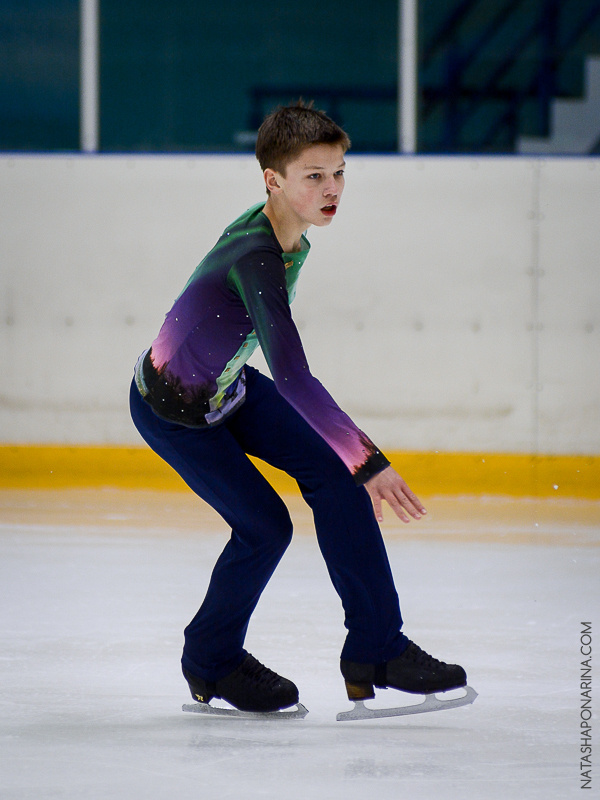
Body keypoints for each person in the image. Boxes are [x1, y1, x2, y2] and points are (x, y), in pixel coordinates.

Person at [129, 102, 467, 714]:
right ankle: (211, 658)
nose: (332, 188)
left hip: (225, 387)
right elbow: (293, 377)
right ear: (273, 180)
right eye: (314, 176)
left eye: (338, 173)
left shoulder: (286, 234)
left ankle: (376, 648)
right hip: (173, 409)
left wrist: (351, 466)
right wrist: (370, 460)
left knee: (334, 479)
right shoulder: (258, 257)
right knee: (266, 527)